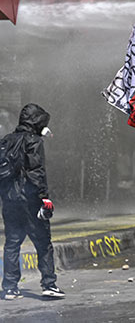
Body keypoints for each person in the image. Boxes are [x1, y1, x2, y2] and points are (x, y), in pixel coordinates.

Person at [1, 103, 65, 300]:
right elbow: (36, 172)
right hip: (30, 201)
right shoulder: (34, 142)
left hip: (10, 200)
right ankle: (49, 284)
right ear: (36, 122)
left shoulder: (6, 140)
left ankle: (10, 288)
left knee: (12, 243)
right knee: (43, 242)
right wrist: (44, 198)